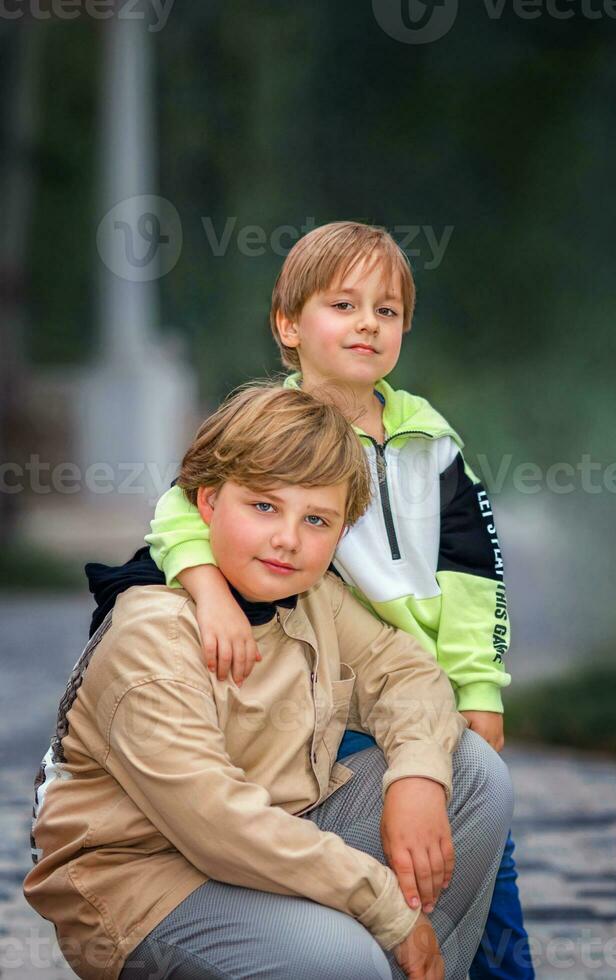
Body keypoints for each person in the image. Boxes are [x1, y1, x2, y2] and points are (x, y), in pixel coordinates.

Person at [145, 221, 534, 979]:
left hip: (419, 689)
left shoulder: (430, 439)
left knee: (487, 853)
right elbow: (177, 512)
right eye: (343, 305)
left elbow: (472, 569)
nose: (367, 323)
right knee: (384, 850)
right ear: (288, 325)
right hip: (324, 694)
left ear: (404, 330)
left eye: (386, 312)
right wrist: (208, 594)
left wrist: (478, 685)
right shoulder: (271, 430)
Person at [24, 385, 513, 980]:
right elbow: (218, 825)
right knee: (341, 961)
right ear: (207, 503)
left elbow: (408, 674)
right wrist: (384, 905)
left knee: (471, 776)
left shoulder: (313, 598)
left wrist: (416, 775)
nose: (288, 539)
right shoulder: (153, 636)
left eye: (316, 520)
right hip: (148, 884)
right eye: (263, 507)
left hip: (281, 830)